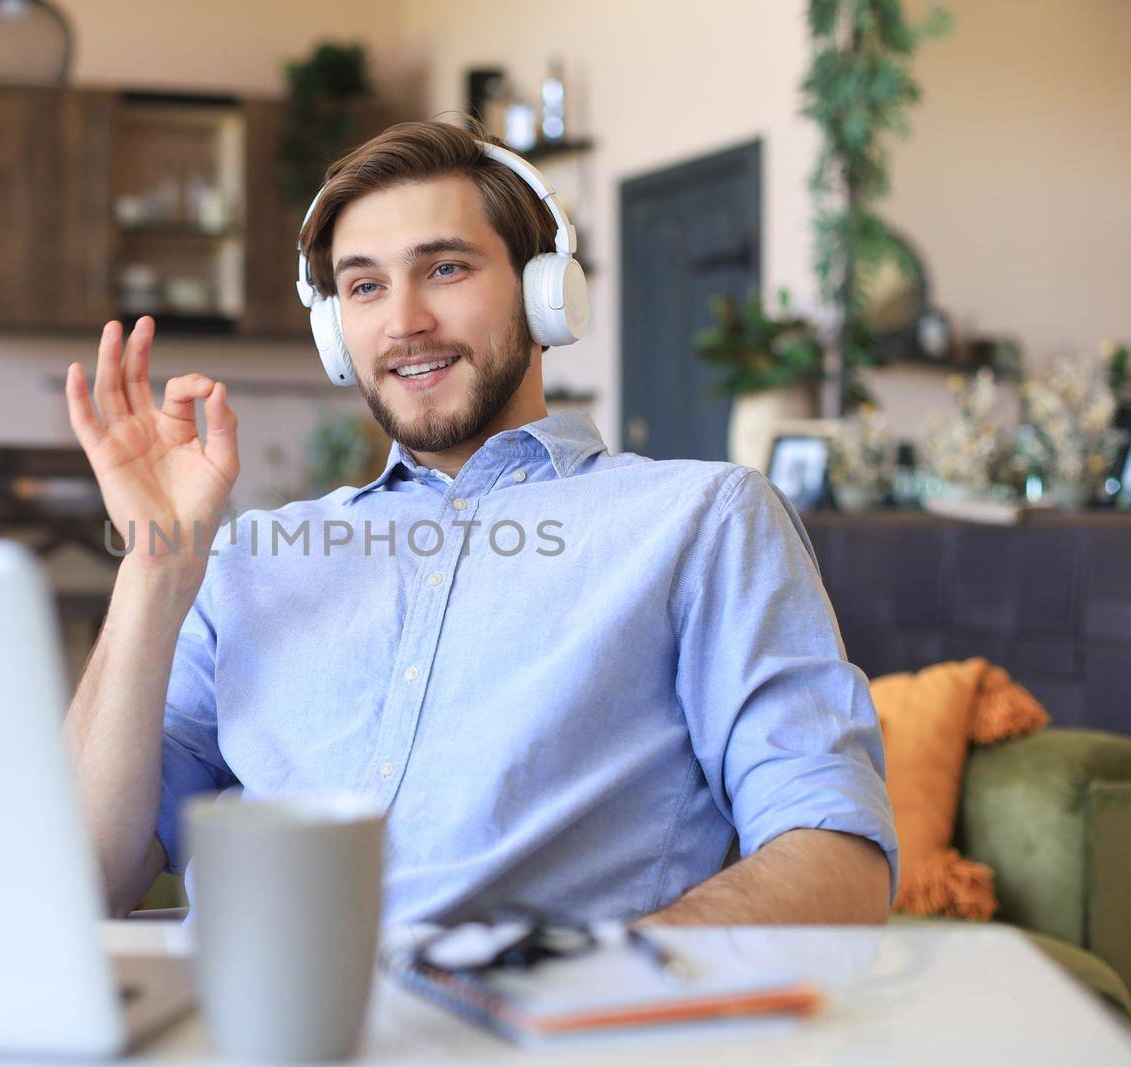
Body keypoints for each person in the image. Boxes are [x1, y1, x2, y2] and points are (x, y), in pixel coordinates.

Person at [62, 120, 896, 925]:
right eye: (364, 287)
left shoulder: (701, 521)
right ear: (334, 330)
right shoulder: (252, 558)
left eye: (447, 269)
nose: (403, 321)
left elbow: (835, 853)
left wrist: (604, 976)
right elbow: (81, 881)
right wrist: (155, 566)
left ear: (547, 295)